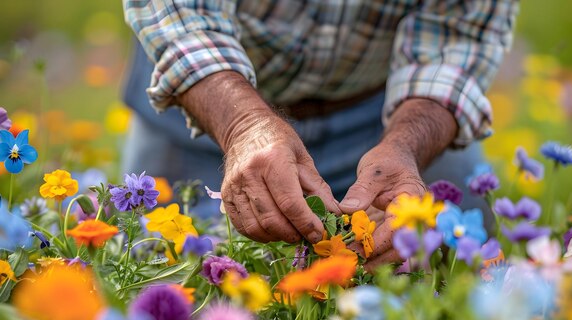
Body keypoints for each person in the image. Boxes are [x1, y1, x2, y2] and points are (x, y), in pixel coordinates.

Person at [122, 0, 518, 266]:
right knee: (153, 273)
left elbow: (456, 41)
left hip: (382, 118)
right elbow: (179, 16)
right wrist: (244, 127)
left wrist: (405, 148)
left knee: (468, 271)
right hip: (206, 105)